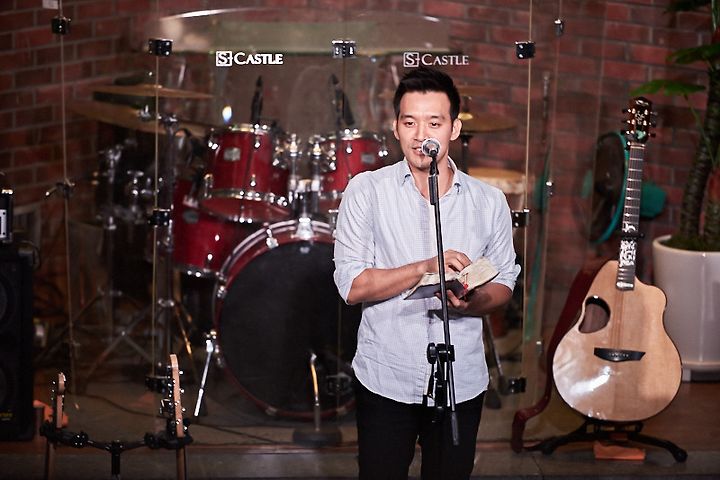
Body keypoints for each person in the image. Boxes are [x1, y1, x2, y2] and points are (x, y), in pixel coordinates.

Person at [333, 66, 521, 479]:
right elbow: (352, 285)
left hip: (460, 379)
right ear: (395, 128)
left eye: (434, 123)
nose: (421, 135)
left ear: (454, 128)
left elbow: (505, 282)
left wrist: (473, 301)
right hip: (386, 375)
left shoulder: (489, 201)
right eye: (410, 122)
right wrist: (425, 267)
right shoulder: (366, 191)